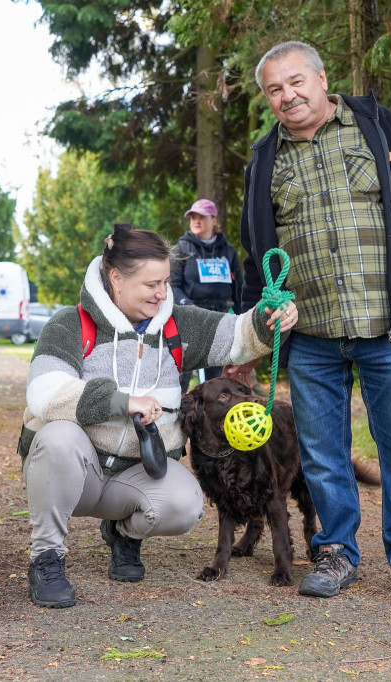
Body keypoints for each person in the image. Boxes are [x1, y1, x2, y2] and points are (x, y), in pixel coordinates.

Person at [227, 41, 391, 603]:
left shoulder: (381, 129)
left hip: (388, 325)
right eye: (275, 90)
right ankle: (335, 550)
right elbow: (257, 253)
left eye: (296, 82)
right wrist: (252, 337)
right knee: (322, 451)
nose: (288, 96)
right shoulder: (264, 160)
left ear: (322, 78)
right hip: (308, 334)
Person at [19, 224, 297, 608]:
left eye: (165, 282)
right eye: (152, 284)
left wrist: (269, 317)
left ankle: (124, 535)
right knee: (57, 438)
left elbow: (237, 335)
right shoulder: (69, 324)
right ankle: (47, 557)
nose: (163, 293)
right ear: (116, 278)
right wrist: (121, 401)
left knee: (185, 503)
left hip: (134, 475)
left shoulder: (177, 325)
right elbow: (44, 393)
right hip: (76, 475)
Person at [170, 199, 243, 393]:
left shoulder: (228, 251)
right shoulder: (181, 248)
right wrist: (188, 306)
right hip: (189, 317)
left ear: (214, 220)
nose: (196, 220)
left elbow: (238, 289)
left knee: (217, 381)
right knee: (180, 378)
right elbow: (173, 285)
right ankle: (175, 410)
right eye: (193, 217)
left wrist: (241, 319)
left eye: (201, 217)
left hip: (221, 319)